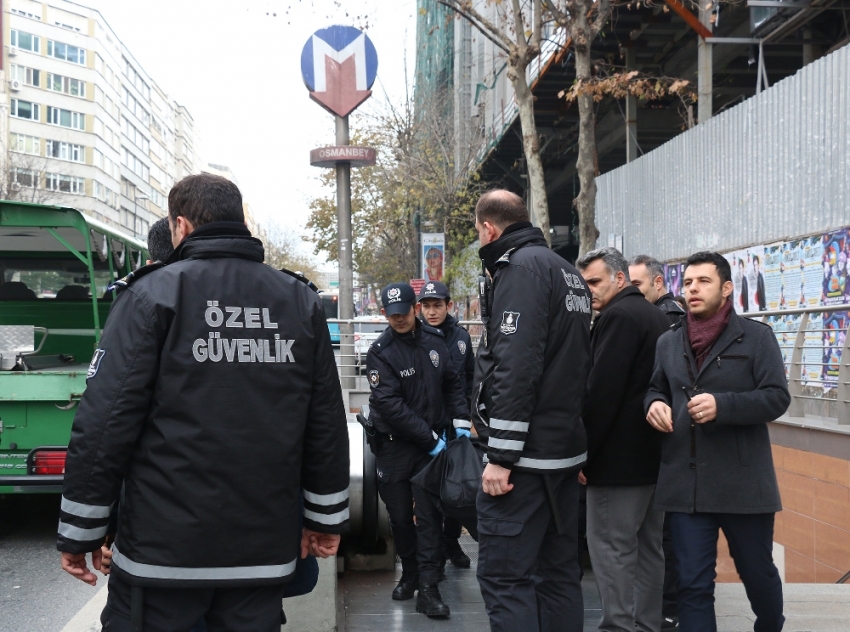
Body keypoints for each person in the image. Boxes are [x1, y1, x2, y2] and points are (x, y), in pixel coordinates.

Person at [57, 173, 350, 632]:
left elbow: (106, 421)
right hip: (261, 556)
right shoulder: (299, 301)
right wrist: (325, 518)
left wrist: (81, 529)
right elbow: (326, 424)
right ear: (239, 221)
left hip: (163, 559)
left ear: (181, 227)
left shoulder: (150, 294)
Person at [646, 251, 790, 632]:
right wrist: (654, 404)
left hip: (743, 484)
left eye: (703, 282)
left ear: (726, 288)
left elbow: (777, 397)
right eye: (689, 282)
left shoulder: (757, 337)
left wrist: (722, 406)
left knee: (756, 572)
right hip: (685, 484)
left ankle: (770, 624)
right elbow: (654, 389)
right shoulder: (667, 342)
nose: (693, 289)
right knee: (692, 584)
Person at [472, 190, 591, 632]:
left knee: (505, 577)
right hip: (562, 454)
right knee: (558, 574)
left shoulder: (518, 269)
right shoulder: (567, 271)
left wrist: (500, 455)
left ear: (489, 228)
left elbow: (516, 365)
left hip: (523, 462)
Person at [576, 248, 670, 632]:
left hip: (616, 461)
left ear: (619, 278)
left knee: (611, 548)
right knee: (649, 549)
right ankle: (645, 625)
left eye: (595, 282)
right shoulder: (654, 314)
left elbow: (601, 394)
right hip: (655, 457)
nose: (589, 292)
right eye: (584, 285)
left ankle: (618, 625)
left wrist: (583, 455)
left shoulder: (617, 317)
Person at [365, 282, 468, 616]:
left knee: (429, 518)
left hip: (430, 450)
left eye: (404, 312)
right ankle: (409, 574)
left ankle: (428, 588)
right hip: (396, 449)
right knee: (400, 519)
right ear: (385, 314)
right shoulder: (380, 352)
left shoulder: (435, 342)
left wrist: (461, 422)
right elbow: (390, 406)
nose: (399, 319)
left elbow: (453, 383)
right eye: (392, 315)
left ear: (415, 308)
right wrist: (431, 440)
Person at [628, 253, 685, 630]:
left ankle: (668, 609)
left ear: (658, 283)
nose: (630, 294)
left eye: (637, 286)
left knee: (664, 535)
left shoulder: (668, 322)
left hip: (669, 443)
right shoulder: (665, 318)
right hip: (664, 439)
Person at [418, 280, 475, 570]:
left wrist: (466, 420)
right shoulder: (415, 336)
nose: (431, 312)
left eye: (437, 305)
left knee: (456, 488)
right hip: (426, 426)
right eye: (426, 306)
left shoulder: (460, 336)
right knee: (430, 490)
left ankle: (451, 542)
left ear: (448, 306)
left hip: (456, 424)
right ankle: (433, 551)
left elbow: (469, 379)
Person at [629, 254, 686, 325]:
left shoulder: (669, 316)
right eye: (629, 286)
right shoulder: (650, 312)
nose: (630, 290)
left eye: (637, 284)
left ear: (658, 282)